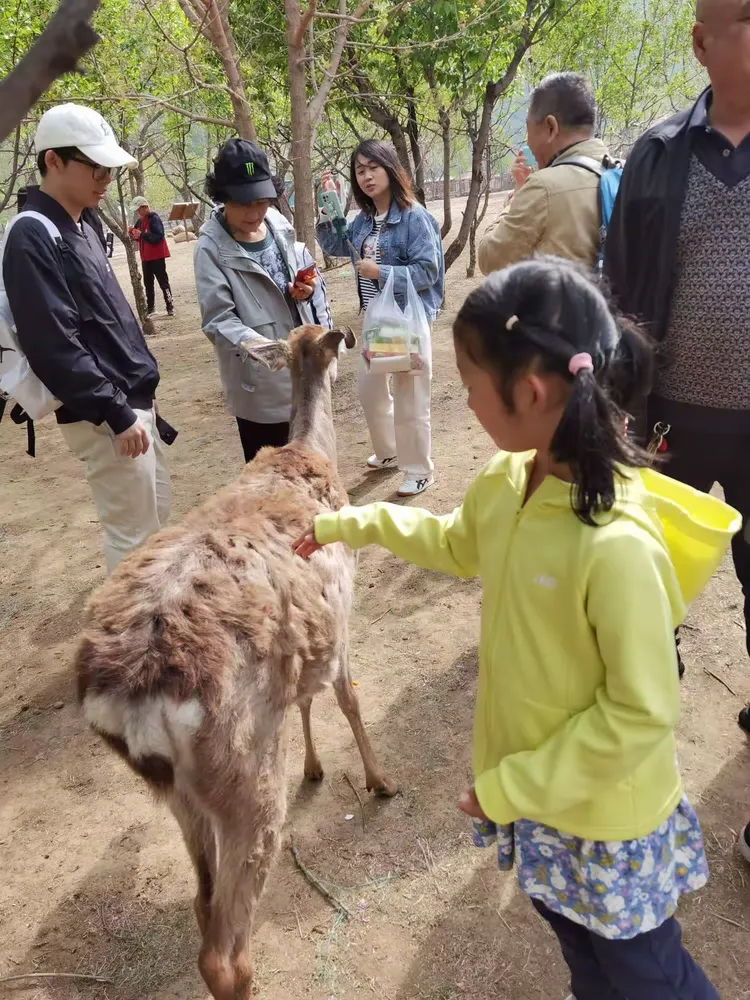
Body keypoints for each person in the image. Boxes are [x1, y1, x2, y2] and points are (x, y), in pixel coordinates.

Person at [294, 257, 739, 1000]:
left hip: (605, 820)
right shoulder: (507, 482)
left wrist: (514, 785)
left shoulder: (617, 546)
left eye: (470, 383)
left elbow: (640, 712)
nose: (464, 397)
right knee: (578, 946)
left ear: (529, 392)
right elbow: (456, 545)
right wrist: (353, 523)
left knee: (646, 973)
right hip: (539, 801)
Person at [604, 0, 750, 702]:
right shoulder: (658, 156)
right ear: (701, 43)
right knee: (650, 568)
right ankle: (654, 684)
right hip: (668, 420)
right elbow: (620, 289)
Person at [2, 103, 170, 571]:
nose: (104, 178)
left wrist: (142, 392)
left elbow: (109, 318)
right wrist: (115, 410)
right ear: (52, 160)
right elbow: (53, 342)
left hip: (129, 399)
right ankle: (134, 641)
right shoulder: (32, 234)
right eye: (94, 166)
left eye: (109, 168)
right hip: (102, 411)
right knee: (134, 536)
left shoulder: (84, 223)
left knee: (155, 519)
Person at [316, 139, 444, 498]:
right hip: (377, 319)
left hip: (406, 318)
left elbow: (428, 272)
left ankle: (419, 469)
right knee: (370, 389)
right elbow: (334, 244)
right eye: (360, 170)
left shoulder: (414, 217)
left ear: (390, 169)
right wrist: (329, 202)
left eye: (373, 167)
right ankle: (389, 451)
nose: (367, 175)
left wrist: (381, 272)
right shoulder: (364, 219)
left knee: (409, 393)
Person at [194, 138, 333, 464]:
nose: (255, 212)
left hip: (305, 376)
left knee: (312, 467)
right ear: (223, 197)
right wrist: (263, 349)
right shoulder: (211, 249)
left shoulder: (278, 225)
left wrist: (303, 291)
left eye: (261, 201)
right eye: (243, 203)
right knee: (271, 479)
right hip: (260, 390)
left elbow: (299, 278)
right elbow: (218, 321)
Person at [478, 73, 612, 274]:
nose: (528, 141)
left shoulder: (544, 187)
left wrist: (516, 197)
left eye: (528, 129)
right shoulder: (624, 172)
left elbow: (490, 259)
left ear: (551, 127)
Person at [129, 195, 174, 316]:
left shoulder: (154, 218)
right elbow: (138, 237)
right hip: (146, 258)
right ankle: (151, 308)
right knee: (148, 283)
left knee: (163, 281)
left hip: (157, 256)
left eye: (139, 209)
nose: (138, 212)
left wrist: (142, 234)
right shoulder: (140, 220)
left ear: (145, 207)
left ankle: (170, 306)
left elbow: (158, 237)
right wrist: (132, 233)